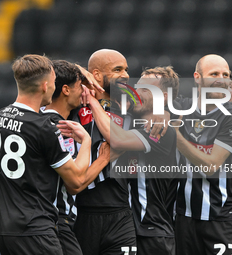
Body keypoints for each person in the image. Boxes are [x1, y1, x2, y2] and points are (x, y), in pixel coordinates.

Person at [0, 54, 97, 255]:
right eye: (55, 82)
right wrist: (86, 142)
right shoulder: (44, 127)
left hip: (4, 230)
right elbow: (75, 180)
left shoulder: (1, 116)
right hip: (35, 228)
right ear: (45, 86)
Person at [68, 66, 179, 255]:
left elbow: (118, 140)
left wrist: (93, 102)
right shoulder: (131, 117)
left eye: (146, 89)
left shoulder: (161, 130)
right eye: (138, 87)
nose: (136, 93)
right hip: (126, 227)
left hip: (152, 232)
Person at [175, 54, 232, 255]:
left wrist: (176, 137)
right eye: (214, 73)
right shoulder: (179, 107)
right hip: (184, 218)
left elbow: (210, 166)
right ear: (197, 77)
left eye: (226, 74)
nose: (221, 78)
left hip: (222, 219)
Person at [67, 49, 137, 255]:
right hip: (81, 212)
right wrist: (81, 73)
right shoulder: (73, 104)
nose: (125, 75)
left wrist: (94, 102)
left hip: (120, 212)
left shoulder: (130, 105)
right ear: (95, 74)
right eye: (117, 69)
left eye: (126, 69)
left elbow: (115, 138)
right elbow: (51, 69)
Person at [42, 59, 110, 255]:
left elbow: (51, 67)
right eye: (81, 86)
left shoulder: (40, 117)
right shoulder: (61, 128)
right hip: (57, 219)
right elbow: (75, 185)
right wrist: (103, 159)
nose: (85, 91)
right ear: (65, 90)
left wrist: (81, 73)